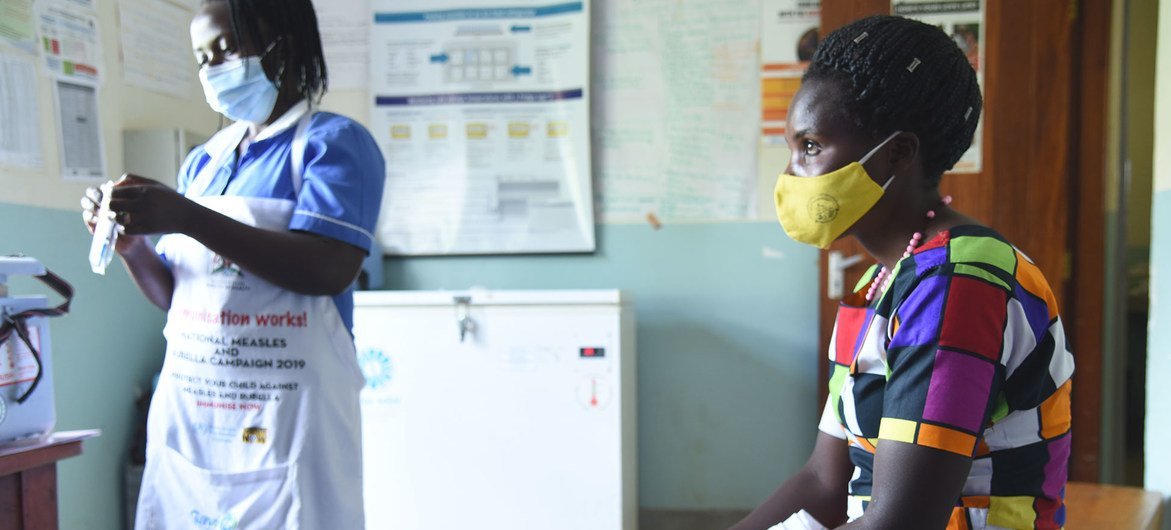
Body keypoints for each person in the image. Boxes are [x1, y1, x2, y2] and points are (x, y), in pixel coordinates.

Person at [732, 16, 1073, 530]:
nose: (790, 176)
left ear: (897, 154)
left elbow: (900, 522)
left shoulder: (960, 282)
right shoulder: (881, 283)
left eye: (810, 147)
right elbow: (824, 482)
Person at [80, 0, 384, 527]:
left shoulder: (333, 146)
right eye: (201, 57)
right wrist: (131, 246)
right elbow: (177, 297)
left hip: (286, 416)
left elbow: (327, 268)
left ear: (281, 45)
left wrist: (184, 215)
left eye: (225, 48)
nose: (211, 67)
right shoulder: (206, 161)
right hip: (197, 413)